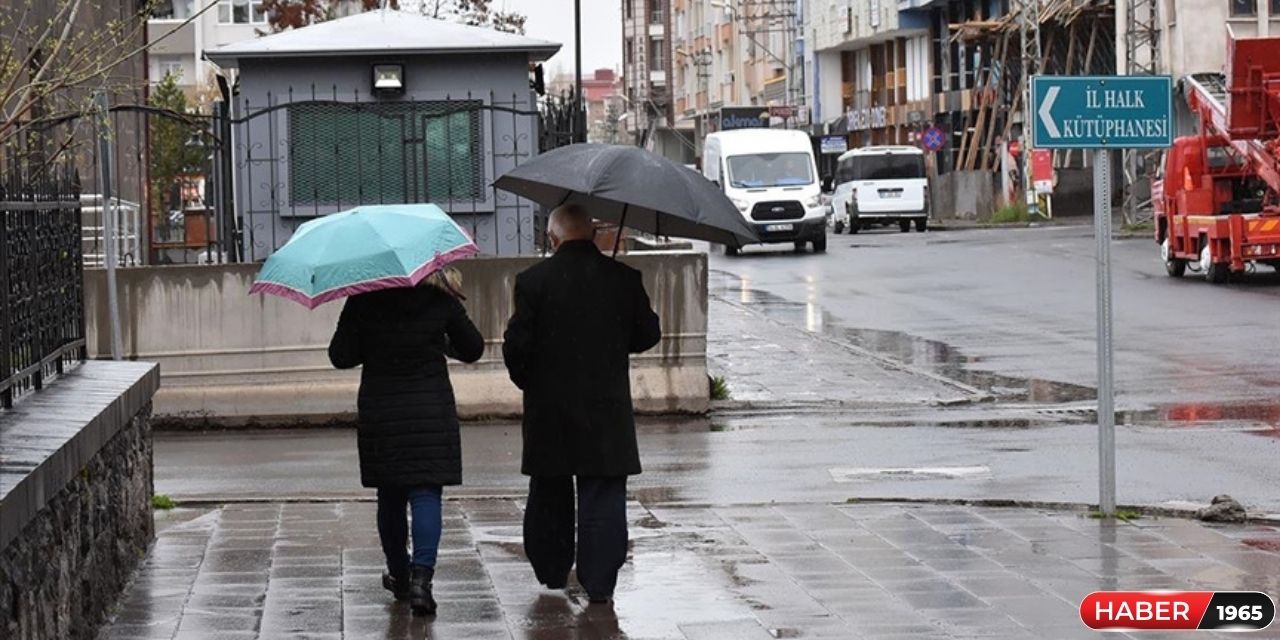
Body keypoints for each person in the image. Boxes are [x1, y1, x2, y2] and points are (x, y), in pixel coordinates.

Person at [502, 204, 662, 604]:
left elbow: (516, 347)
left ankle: (553, 571)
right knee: (604, 496)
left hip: (550, 410)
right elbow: (647, 335)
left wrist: (530, 381)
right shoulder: (623, 279)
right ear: (592, 235)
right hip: (606, 409)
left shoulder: (532, 281)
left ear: (552, 239)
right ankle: (600, 582)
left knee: (550, 493)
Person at [328, 267, 484, 616]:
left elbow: (340, 356)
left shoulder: (363, 300)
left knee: (391, 495)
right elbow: (473, 348)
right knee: (426, 492)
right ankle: (421, 582)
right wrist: (440, 341)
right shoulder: (440, 297)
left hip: (383, 411)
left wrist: (369, 340)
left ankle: (399, 574)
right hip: (429, 408)